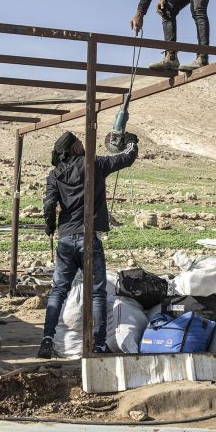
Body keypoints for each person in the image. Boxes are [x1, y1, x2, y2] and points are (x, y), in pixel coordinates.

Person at [38, 131, 139, 358]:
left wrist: (50, 227)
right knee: (96, 293)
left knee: (58, 291)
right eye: (80, 142)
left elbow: (48, 206)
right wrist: (131, 141)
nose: (84, 144)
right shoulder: (91, 163)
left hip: (65, 238)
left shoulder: (54, 175)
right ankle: (99, 344)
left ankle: (46, 339)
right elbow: (126, 158)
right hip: (88, 237)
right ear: (74, 148)